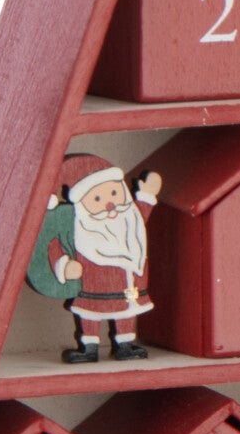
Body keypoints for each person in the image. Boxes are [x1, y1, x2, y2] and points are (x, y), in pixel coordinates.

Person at [23, 150, 163, 361]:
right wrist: (64, 266)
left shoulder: (128, 218)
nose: (110, 204)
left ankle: (124, 344)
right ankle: (89, 347)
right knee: (91, 314)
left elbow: (139, 217)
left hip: (129, 285)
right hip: (93, 287)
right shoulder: (78, 228)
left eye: (114, 193)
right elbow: (55, 244)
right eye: (97, 198)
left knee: (126, 313)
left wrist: (147, 195)